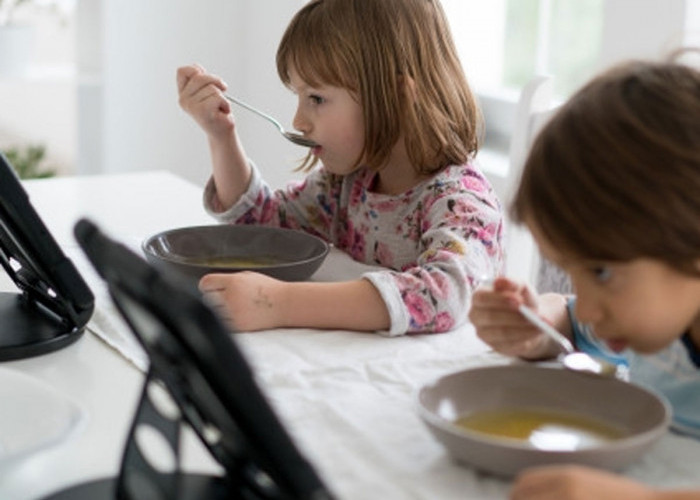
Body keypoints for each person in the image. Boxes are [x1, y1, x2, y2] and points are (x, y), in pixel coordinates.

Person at [176, 0, 504, 336]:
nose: (298, 121)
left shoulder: (461, 201)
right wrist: (220, 135)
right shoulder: (348, 185)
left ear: (397, 96)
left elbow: (442, 296)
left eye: (316, 98)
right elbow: (262, 225)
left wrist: (280, 303)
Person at [468, 54, 700, 499]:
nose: (588, 302)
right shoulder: (659, 310)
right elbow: (577, 319)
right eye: (571, 272)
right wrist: (537, 323)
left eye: (600, 271)